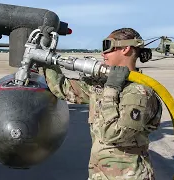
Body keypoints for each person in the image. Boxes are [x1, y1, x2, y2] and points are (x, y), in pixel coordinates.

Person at [38, 27, 162, 179]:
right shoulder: (101, 85)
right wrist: (46, 54)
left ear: (126, 49)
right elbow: (63, 88)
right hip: (99, 174)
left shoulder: (138, 92)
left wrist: (111, 90)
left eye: (107, 46)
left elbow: (113, 134)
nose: (103, 53)